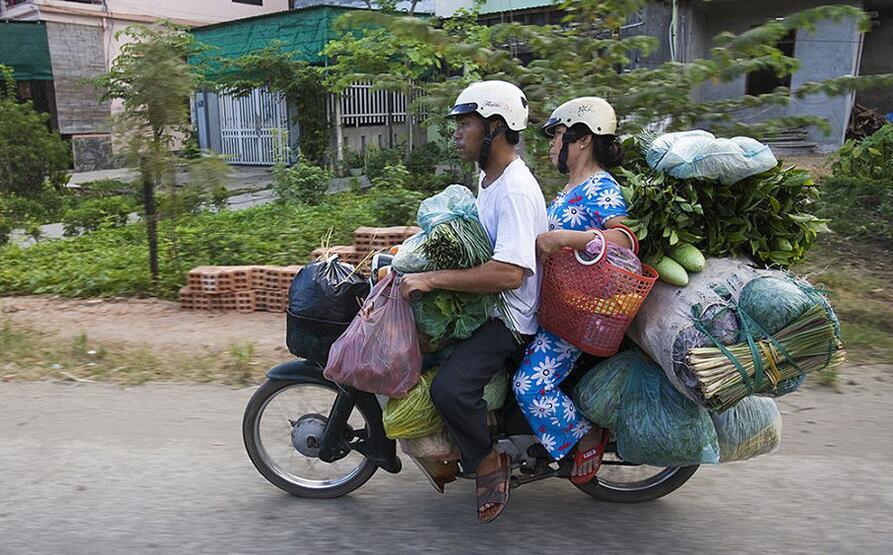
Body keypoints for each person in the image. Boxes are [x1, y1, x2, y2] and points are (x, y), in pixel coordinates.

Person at [399, 80, 547, 524]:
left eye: (466, 123)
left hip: (510, 316)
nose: (458, 133)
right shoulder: (488, 179)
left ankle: (487, 462)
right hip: (485, 306)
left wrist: (431, 277)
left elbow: (509, 272)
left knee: (450, 389)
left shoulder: (516, 190)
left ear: (496, 127)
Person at [512, 96, 633, 485]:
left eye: (558, 135)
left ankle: (586, 435)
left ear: (583, 140)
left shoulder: (601, 187)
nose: (551, 144)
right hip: (556, 305)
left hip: (580, 313)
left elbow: (625, 240)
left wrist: (567, 237)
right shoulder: (569, 189)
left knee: (530, 385)